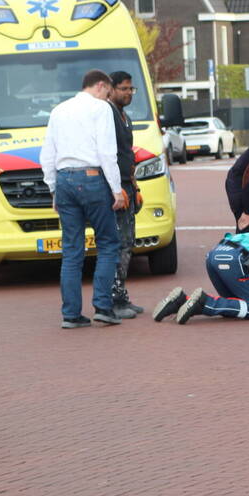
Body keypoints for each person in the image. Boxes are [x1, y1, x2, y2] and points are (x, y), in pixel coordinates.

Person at [40, 69, 128, 328]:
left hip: (64, 179)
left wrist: (53, 189)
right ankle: (102, 306)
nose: (108, 98)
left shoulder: (58, 110)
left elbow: (47, 153)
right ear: (101, 86)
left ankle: (71, 314)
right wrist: (116, 190)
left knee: (71, 249)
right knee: (109, 243)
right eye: (108, 92)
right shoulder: (100, 110)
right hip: (92, 178)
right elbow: (107, 151)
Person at [107, 71, 144, 319]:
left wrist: (135, 186)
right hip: (115, 188)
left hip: (128, 186)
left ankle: (121, 296)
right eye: (124, 89)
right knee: (118, 243)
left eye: (131, 89)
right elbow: (107, 155)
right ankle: (113, 299)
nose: (129, 93)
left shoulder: (124, 116)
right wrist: (115, 187)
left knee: (128, 242)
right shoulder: (107, 115)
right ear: (111, 89)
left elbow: (127, 156)